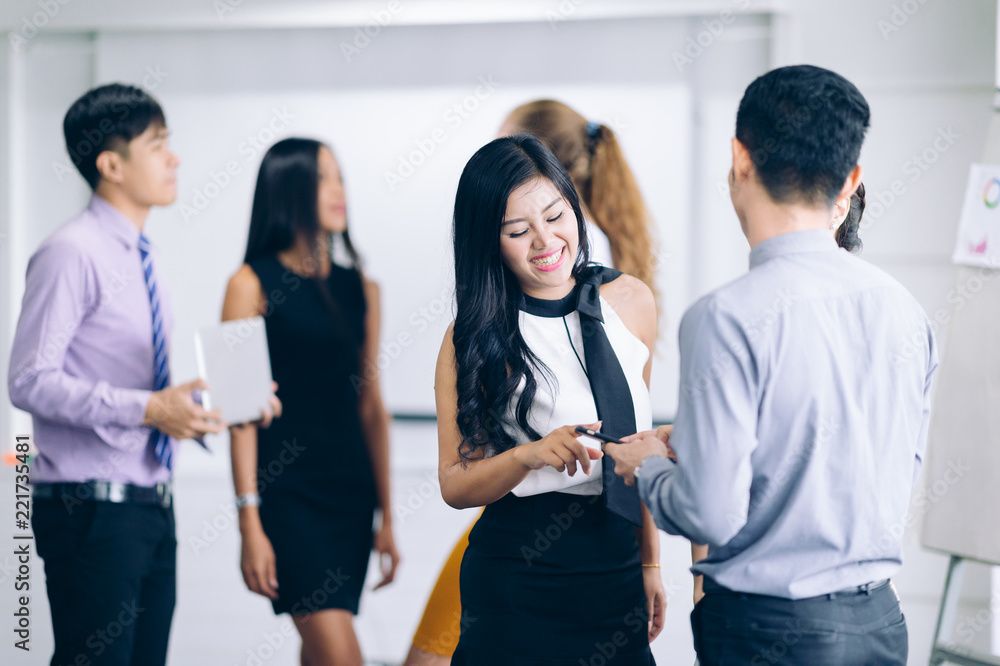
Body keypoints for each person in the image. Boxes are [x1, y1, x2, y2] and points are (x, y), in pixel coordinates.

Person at [606, 65, 937, 665]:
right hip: (880, 627)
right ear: (851, 178)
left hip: (771, 632)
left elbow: (710, 513)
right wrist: (712, 446)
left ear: (739, 159)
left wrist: (652, 466)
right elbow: (881, 464)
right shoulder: (906, 310)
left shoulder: (724, 318)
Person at [406, 100, 687, 666]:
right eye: (518, 230)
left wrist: (650, 561)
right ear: (490, 241)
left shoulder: (632, 302)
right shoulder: (471, 336)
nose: (545, 241)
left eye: (556, 217)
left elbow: (640, 439)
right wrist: (529, 456)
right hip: (516, 576)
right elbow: (455, 484)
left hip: (613, 566)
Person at [8, 83, 263, 666]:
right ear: (111, 164)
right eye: (158, 145)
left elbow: (135, 393)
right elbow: (28, 381)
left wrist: (187, 414)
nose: (174, 158)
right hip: (90, 509)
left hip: (147, 502)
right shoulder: (71, 252)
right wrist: (149, 409)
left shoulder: (140, 257)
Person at [221, 137, 399, 666]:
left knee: (320, 653)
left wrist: (388, 515)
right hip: (288, 497)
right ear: (288, 188)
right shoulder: (247, 284)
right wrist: (248, 523)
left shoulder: (362, 289)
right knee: (343, 656)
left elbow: (372, 407)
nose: (338, 190)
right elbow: (238, 414)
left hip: (349, 496)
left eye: (340, 176)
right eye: (322, 178)